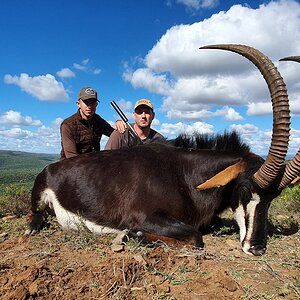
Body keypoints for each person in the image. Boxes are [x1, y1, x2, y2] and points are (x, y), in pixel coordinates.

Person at [60, 86, 124, 159]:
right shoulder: (67, 125)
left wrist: (119, 123)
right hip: (71, 166)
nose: (90, 106)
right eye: (86, 102)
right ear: (78, 104)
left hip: (93, 165)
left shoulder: (99, 121)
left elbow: (114, 134)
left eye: (93, 102)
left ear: (96, 104)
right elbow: (71, 157)